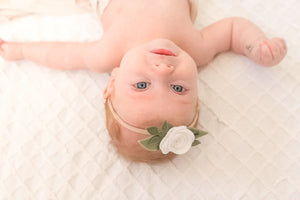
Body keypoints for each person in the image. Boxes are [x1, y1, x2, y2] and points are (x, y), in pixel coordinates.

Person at [0, 0, 287, 162]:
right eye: (178, 88)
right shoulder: (196, 49)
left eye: (141, 86)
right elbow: (233, 28)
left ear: (112, 82)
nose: (163, 70)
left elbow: (61, 54)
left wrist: (21, 50)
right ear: (196, 92)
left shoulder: (107, 54)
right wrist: (256, 47)